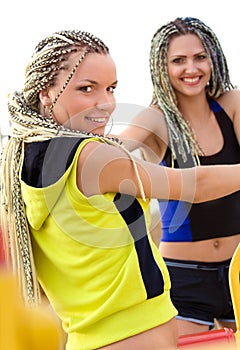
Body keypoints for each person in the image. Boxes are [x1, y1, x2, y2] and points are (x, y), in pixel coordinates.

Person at [1, 30, 240, 350]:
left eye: (111, 89)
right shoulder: (91, 156)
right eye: (87, 89)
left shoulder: (22, 158)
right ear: (47, 93)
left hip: (91, 339)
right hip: (136, 337)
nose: (107, 103)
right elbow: (195, 185)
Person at [118, 17, 240, 336]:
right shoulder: (155, 119)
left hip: (238, 272)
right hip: (183, 281)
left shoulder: (232, 106)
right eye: (178, 60)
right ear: (162, 67)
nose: (191, 69)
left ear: (213, 59)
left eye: (200, 57)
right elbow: (113, 151)